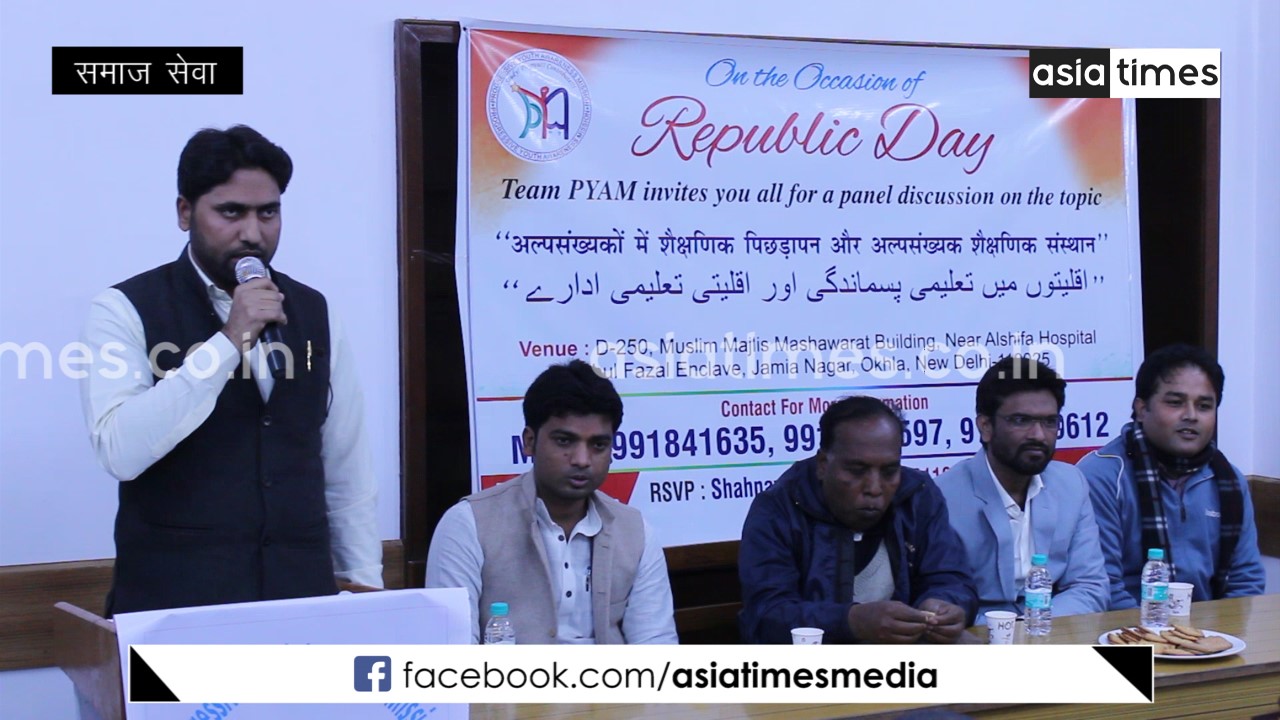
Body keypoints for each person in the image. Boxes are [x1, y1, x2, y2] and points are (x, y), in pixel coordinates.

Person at [79, 125, 381, 615]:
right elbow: (119, 451)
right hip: (172, 613)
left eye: (268, 212)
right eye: (231, 212)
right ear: (185, 213)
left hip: (301, 605)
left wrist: (364, 590)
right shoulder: (123, 309)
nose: (253, 233)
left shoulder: (315, 311)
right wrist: (228, 340)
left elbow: (347, 469)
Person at [426, 360, 677, 644]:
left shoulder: (635, 532)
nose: (582, 460)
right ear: (529, 441)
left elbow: (656, 645)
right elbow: (451, 650)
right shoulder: (468, 524)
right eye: (564, 441)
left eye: (598, 445)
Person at [739, 396, 978, 644]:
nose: (874, 488)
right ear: (823, 465)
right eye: (856, 471)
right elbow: (766, 616)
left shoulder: (917, 495)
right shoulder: (778, 509)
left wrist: (945, 604)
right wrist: (850, 622)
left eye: (889, 472)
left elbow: (952, 579)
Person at [1079, 344, 1265, 608]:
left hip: (1209, 628)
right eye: (1175, 403)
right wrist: (1157, 631)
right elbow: (1102, 586)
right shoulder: (1102, 476)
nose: (1191, 416)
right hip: (1124, 626)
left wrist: (1218, 631)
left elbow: (1246, 581)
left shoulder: (1229, 481)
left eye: (1204, 406)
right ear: (1141, 409)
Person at [936, 356, 1108, 622]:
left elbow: (1090, 587)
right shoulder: (943, 497)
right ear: (985, 427)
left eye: (1050, 422)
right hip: (978, 635)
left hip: (1052, 628)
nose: (1038, 435)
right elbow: (941, 602)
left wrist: (1031, 625)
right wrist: (1007, 630)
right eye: (1021, 420)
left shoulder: (1071, 484)